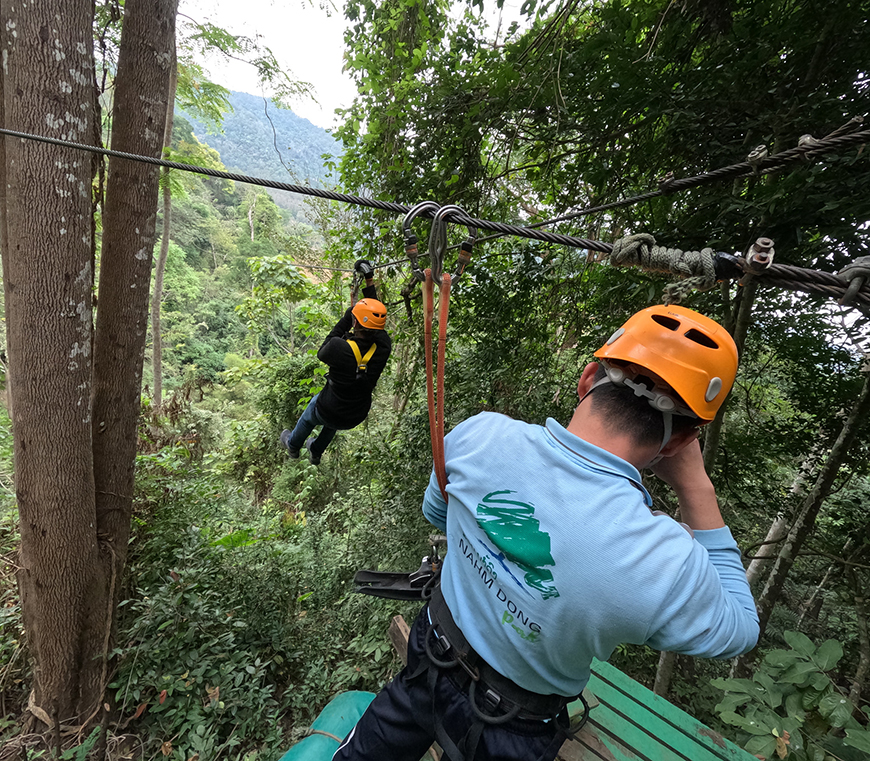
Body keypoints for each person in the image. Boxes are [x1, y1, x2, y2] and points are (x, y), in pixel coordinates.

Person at [333, 304, 759, 761]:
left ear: (588, 378)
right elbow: (740, 628)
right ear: (680, 442)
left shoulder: (481, 435)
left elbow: (438, 513)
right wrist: (697, 486)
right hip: (512, 727)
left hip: (430, 654)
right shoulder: (665, 560)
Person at [280, 260, 392, 465]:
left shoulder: (339, 348)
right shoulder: (384, 346)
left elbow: (323, 349)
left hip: (330, 406)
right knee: (335, 418)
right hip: (356, 413)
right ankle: (316, 451)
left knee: (312, 413)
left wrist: (347, 316)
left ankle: (293, 446)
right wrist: (369, 280)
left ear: (355, 322)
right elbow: (375, 319)